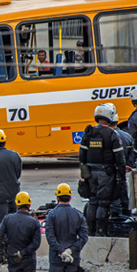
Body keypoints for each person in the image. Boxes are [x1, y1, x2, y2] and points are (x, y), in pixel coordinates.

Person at [79, 103, 126, 236]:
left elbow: (81, 156)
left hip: (90, 174)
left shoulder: (88, 133)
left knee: (92, 201)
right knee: (103, 203)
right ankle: (101, 231)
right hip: (106, 174)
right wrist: (121, 177)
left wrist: (84, 175)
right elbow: (120, 159)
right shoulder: (112, 134)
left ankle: (90, 230)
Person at [45, 183, 88, 272]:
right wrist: (70, 251)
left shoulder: (52, 215)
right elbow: (83, 237)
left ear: (57, 198)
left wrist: (61, 251)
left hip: (56, 257)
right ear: (70, 197)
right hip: (73, 258)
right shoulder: (78, 215)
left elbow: (50, 237)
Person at [0, 191, 41, 272]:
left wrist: (2, 254)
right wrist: (22, 253)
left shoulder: (7, 219)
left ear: (16, 205)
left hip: (13, 258)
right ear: (29, 205)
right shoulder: (34, 222)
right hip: (28, 260)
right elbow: (36, 244)